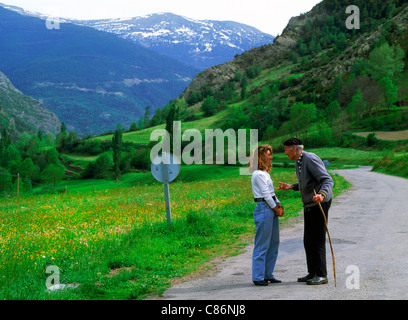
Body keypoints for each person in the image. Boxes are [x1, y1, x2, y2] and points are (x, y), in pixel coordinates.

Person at [277, 138, 333, 285]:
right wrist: (291, 187)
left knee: (317, 239)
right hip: (309, 204)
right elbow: (306, 182)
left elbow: (327, 180)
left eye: (286, 149)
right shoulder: (299, 161)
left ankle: (322, 275)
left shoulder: (310, 158)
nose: (285, 152)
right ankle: (312, 272)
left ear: (294, 148)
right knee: (308, 240)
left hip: (319, 203)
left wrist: (322, 194)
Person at [248, 145, 284, 286]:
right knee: (262, 244)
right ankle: (258, 276)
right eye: (268, 154)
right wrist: (276, 208)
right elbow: (266, 195)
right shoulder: (258, 174)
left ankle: (268, 273)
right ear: (261, 157)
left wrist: (279, 206)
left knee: (274, 242)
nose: (271, 157)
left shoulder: (265, 174)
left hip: (270, 207)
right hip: (264, 208)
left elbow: (272, 193)